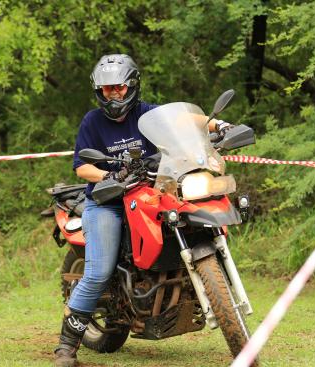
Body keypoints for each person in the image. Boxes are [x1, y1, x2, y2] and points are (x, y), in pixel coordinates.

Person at [53, 54, 233, 367]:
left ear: (131, 86)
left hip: (148, 194)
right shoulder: (92, 122)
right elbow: (82, 167)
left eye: (119, 88)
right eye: (107, 89)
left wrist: (219, 126)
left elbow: (184, 121)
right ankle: (66, 348)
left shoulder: (147, 113)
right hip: (107, 201)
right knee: (98, 272)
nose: (114, 94)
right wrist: (109, 176)